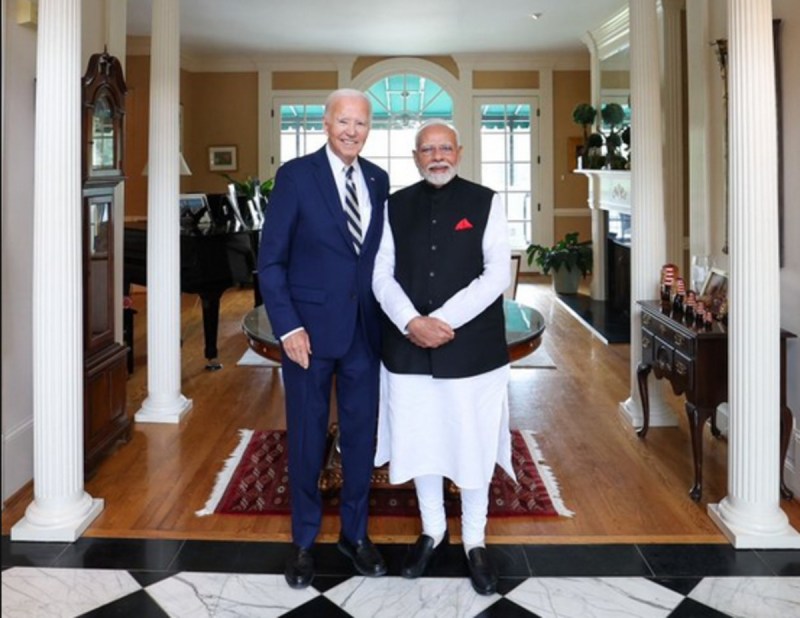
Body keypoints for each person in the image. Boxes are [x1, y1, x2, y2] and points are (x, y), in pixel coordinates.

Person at [372, 119, 514, 595]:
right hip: (406, 345)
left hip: (472, 349)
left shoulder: (486, 201)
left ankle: (475, 539)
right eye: (428, 149)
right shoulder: (394, 206)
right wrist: (411, 322)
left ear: (459, 152)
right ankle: (432, 530)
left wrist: (441, 321)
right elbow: (380, 274)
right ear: (415, 157)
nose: (437, 157)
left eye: (445, 148)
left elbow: (497, 274)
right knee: (421, 440)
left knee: (471, 441)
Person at [258, 88, 390, 589]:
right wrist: (288, 327)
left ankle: (355, 535)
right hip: (307, 337)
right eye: (344, 121)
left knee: (361, 438)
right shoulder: (296, 177)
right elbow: (271, 262)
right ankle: (304, 541)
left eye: (361, 123)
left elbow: (378, 258)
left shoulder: (377, 179)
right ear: (326, 123)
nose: (352, 131)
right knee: (307, 438)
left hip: (365, 333)